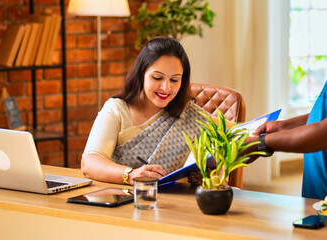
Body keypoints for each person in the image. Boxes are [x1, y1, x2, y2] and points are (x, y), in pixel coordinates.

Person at [81, 36, 234, 185]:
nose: (166, 88)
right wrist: (131, 175)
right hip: (121, 200)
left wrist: (220, 171)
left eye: (174, 80)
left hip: (174, 204)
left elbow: (240, 134)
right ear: (142, 74)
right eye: (157, 78)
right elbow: (90, 163)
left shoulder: (189, 113)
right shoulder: (117, 110)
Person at [246, 81, 327, 200]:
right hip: (316, 192)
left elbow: (323, 133)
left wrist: (260, 143)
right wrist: (284, 126)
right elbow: (322, 115)